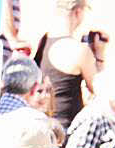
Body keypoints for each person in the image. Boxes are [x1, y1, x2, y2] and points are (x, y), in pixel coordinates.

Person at [34, 0, 97, 130]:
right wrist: (100, 53)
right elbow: (99, 89)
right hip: (68, 130)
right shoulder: (78, 50)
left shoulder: (41, 43)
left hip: (41, 126)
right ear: (78, 12)